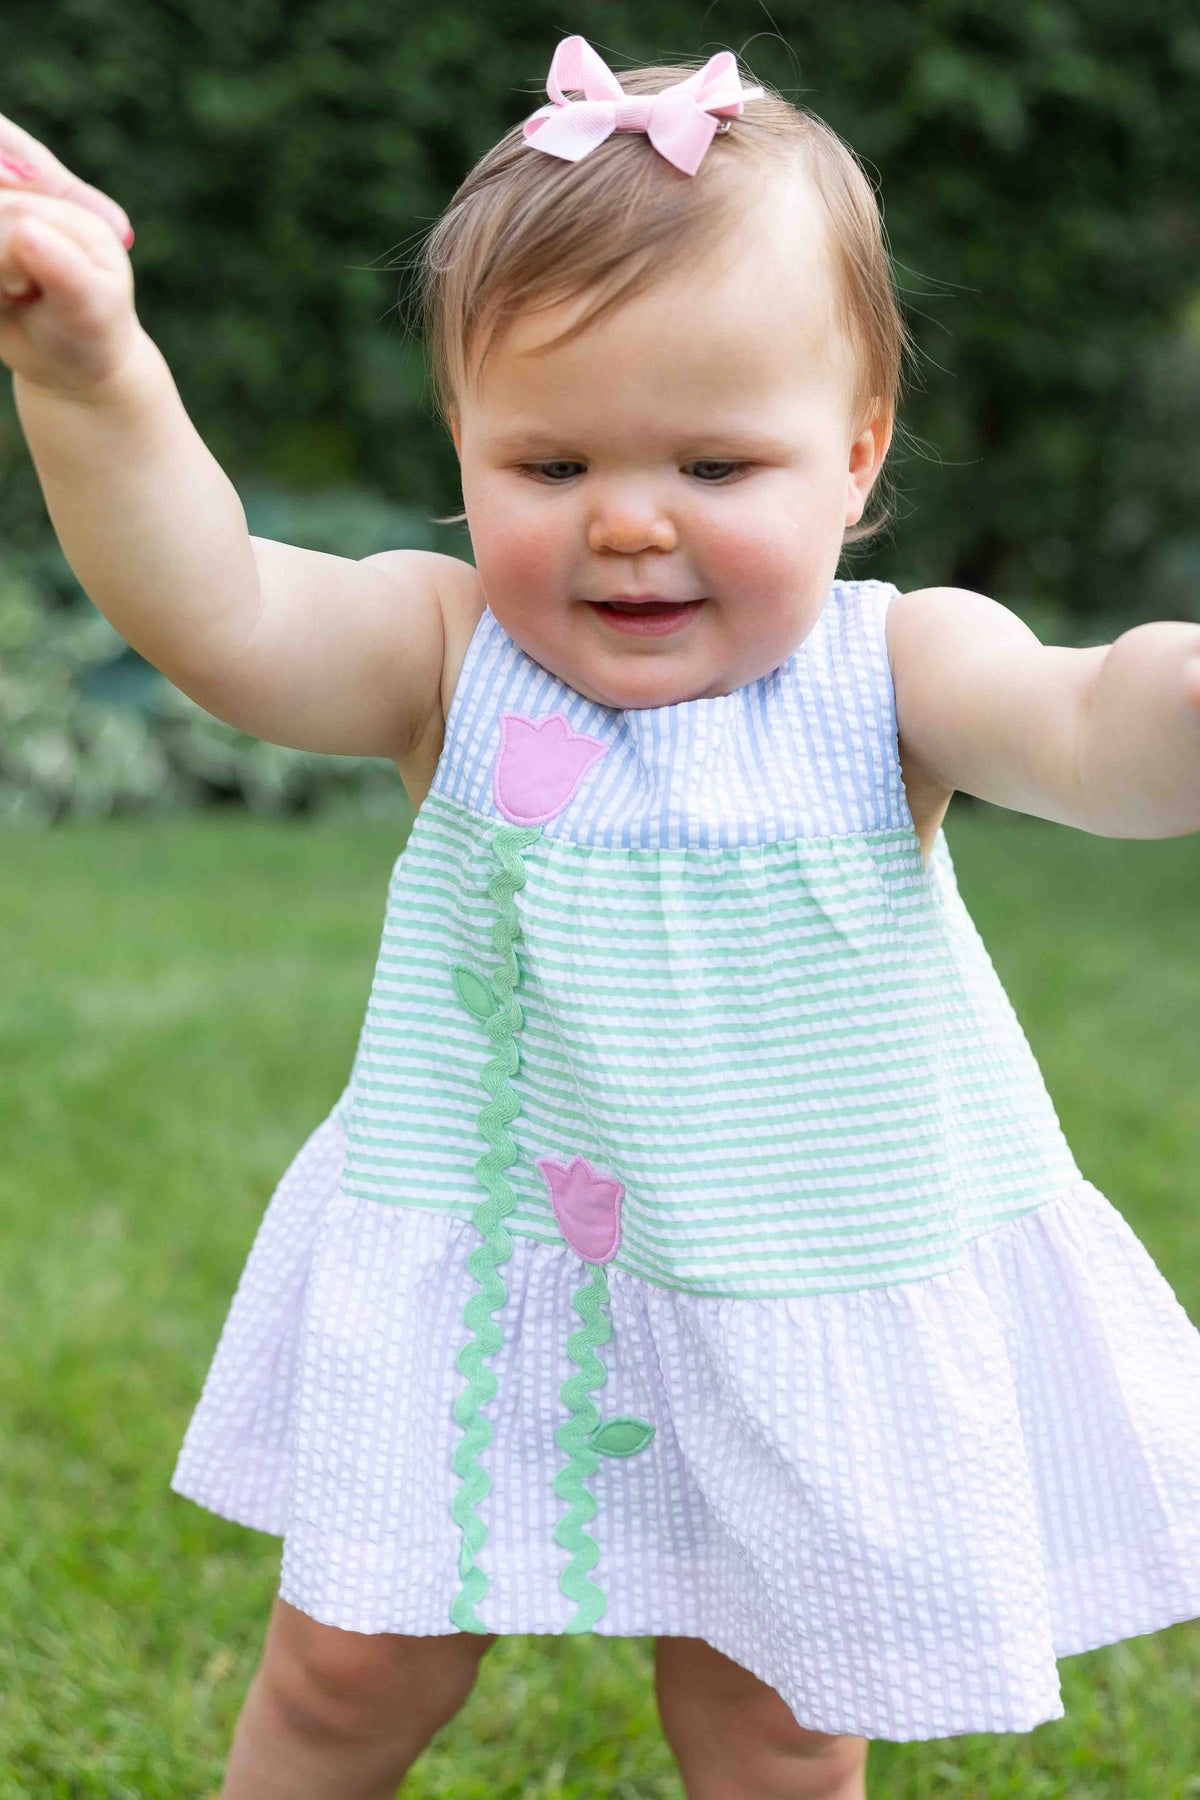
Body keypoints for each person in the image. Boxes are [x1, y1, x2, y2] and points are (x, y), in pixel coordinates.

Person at [3, 31, 1200, 1800]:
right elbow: (223, 610)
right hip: (495, 1266)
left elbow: (1091, 725)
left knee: (776, 1713)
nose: (629, 523)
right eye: (551, 467)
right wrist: (92, 372)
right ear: (466, 449)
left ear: (855, 456)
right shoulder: (451, 657)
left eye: (716, 468)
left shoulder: (896, 671)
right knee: (348, 1669)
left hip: (791, 1283)